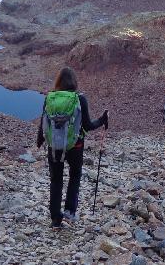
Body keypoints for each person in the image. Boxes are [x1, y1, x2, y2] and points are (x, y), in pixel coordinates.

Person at [37, 67, 108, 230]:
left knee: (56, 180)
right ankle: (70, 212)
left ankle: (55, 219)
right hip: (76, 146)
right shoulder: (80, 99)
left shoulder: (50, 98)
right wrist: (102, 120)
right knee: (75, 176)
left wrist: (40, 140)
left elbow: (44, 122)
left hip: (54, 147)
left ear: (58, 81)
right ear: (74, 82)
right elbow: (88, 126)